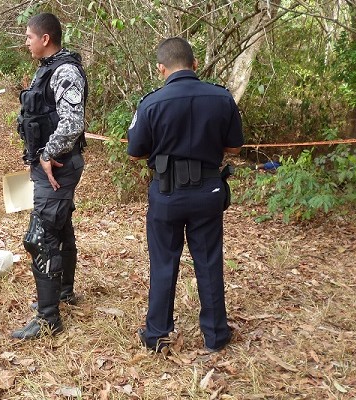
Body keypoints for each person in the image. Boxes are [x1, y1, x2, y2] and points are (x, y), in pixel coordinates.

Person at [126, 37, 244, 353]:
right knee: (208, 262)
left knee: (164, 262)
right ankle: (217, 335)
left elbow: (135, 153)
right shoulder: (221, 98)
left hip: (167, 193)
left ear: (161, 69)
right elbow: (234, 147)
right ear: (194, 65)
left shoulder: (151, 103)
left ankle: (157, 335)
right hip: (208, 191)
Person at [11, 13, 88, 340]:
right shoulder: (48, 68)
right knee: (59, 226)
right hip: (47, 166)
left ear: (45, 38)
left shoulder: (65, 71)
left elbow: (72, 122)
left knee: (40, 237)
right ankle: (63, 292)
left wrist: (47, 153)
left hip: (56, 166)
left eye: (29, 36)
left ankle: (48, 318)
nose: (26, 42)